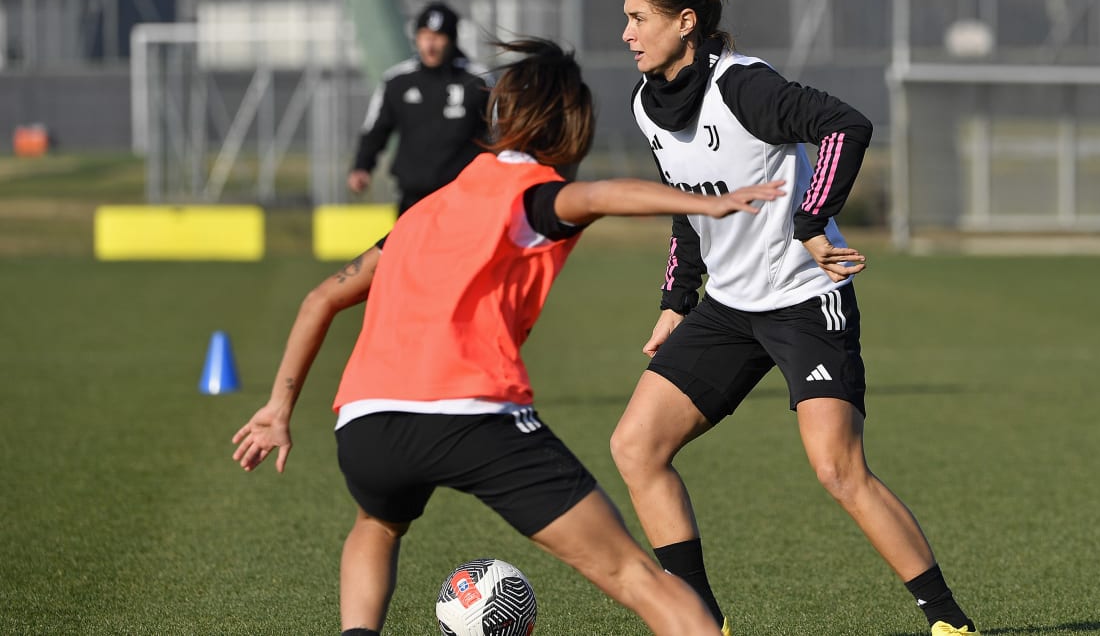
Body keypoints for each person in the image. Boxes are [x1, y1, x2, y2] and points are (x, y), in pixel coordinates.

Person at [232, 37, 785, 636]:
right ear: (572, 126)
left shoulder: (425, 211)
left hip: (367, 420)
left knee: (377, 525)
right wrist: (707, 203)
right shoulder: (530, 197)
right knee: (635, 577)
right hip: (470, 413)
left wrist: (278, 408)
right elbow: (599, 196)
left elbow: (322, 297)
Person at [609, 0, 981, 636]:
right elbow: (689, 206)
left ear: (685, 22)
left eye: (638, 18)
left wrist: (810, 219)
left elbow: (847, 126)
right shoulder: (644, 105)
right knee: (636, 446)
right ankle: (699, 624)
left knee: (837, 470)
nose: (626, 33)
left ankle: (949, 623)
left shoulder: (744, 86)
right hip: (728, 308)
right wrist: (674, 301)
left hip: (806, 297)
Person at [348, 0, 489, 214]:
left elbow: (500, 133)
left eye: (438, 38)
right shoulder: (397, 81)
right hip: (412, 198)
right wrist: (362, 166)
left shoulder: (478, 80)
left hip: (464, 197)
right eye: (424, 37)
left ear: (451, 40)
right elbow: (376, 130)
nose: (430, 45)